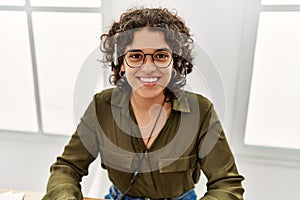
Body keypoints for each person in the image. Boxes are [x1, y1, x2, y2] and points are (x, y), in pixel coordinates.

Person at [42, 7, 245, 200]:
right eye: (136, 56)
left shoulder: (200, 110)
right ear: (121, 63)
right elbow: (67, 168)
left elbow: (226, 183)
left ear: (175, 62)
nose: (148, 68)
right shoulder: (102, 106)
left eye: (161, 56)